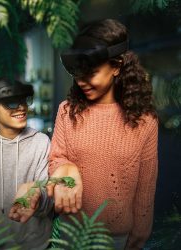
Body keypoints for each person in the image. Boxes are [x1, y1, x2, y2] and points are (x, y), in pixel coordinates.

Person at [47, 19, 158, 250]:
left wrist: (139, 236)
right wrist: (65, 168)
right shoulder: (66, 111)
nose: (80, 81)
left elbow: (145, 187)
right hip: (69, 233)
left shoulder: (145, 121)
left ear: (116, 66)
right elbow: (55, 158)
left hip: (117, 238)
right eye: (77, 72)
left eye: (91, 73)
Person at [0, 77, 53, 250]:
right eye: (10, 103)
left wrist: (36, 195)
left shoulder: (41, 142)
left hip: (35, 244)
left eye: (23, 100)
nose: (21, 107)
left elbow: (48, 199)